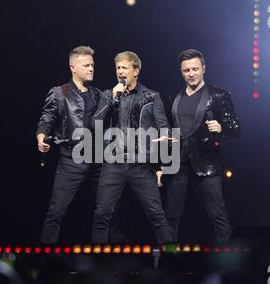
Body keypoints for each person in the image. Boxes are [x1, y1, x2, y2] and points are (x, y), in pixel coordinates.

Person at [36, 46, 124, 243]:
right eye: (86, 65)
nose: (91, 69)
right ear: (73, 67)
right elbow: (47, 118)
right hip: (71, 159)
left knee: (110, 209)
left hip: (98, 159)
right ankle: (45, 262)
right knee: (56, 211)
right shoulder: (59, 93)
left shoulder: (98, 94)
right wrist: (41, 135)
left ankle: (118, 262)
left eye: (92, 65)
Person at [91, 51, 174, 244]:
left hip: (142, 165)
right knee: (101, 216)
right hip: (113, 164)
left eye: (124, 67)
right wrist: (111, 98)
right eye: (118, 68)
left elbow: (163, 126)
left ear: (136, 71)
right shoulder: (107, 95)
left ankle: (171, 260)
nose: (120, 72)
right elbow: (95, 123)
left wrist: (163, 152)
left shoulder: (151, 96)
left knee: (157, 216)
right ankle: (96, 265)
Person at [163, 49, 241, 243]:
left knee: (217, 216)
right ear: (181, 72)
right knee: (170, 217)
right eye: (186, 70)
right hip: (178, 164)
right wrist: (161, 164)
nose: (191, 73)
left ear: (204, 68)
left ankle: (228, 264)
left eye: (195, 69)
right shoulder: (174, 97)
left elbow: (236, 128)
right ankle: (167, 262)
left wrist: (221, 127)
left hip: (206, 164)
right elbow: (170, 130)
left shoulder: (218, 95)